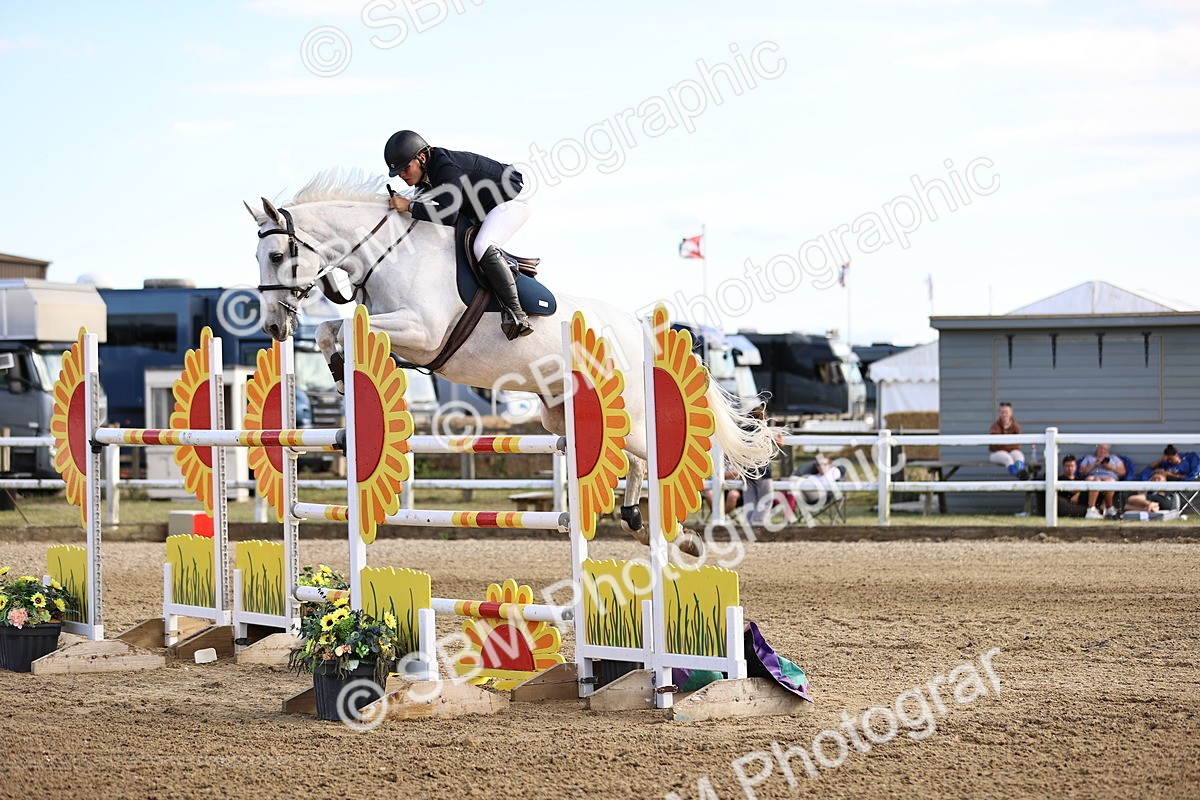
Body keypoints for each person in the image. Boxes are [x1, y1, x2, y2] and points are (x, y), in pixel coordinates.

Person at [383, 130, 533, 340]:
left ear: (422, 158)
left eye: (406, 168)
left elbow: (447, 214)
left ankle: (516, 314)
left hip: (510, 200)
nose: (402, 175)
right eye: (398, 172)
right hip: (480, 208)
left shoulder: (445, 168)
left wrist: (409, 206)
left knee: (482, 246)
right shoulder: (426, 178)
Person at [1078, 444, 1126, 519]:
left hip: (1109, 477)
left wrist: (1110, 468)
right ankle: (1091, 510)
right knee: (1095, 480)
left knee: (1109, 482)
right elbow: (1081, 472)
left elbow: (1122, 472)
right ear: (1096, 449)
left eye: (1104, 448)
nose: (1102, 450)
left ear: (1108, 449)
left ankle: (1109, 508)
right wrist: (1094, 464)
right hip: (1093, 477)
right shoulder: (1089, 458)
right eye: (1100, 448)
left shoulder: (1114, 458)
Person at [988, 402, 1029, 480]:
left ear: (1011, 413)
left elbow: (1018, 444)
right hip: (996, 453)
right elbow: (994, 444)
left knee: (1018, 455)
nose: (1004, 415)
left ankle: (1021, 472)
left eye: (1006, 412)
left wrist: (1004, 444)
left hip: (1012, 451)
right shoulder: (995, 426)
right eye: (1002, 412)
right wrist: (1009, 444)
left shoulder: (1015, 426)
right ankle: (1017, 474)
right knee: (1007, 458)